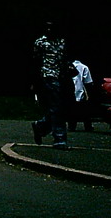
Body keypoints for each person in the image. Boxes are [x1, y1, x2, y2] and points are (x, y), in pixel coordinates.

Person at [30, 21, 70, 150]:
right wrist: (35, 81)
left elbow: (64, 59)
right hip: (48, 76)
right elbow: (35, 61)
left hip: (61, 76)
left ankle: (41, 126)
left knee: (59, 107)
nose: (49, 29)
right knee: (56, 106)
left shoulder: (62, 41)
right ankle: (59, 137)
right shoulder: (41, 42)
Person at [68, 58, 95, 132]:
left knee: (72, 109)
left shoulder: (67, 66)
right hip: (81, 90)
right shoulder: (84, 67)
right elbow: (88, 82)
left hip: (70, 91)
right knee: (85, 110)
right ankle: (88, 126)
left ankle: (72, 126)